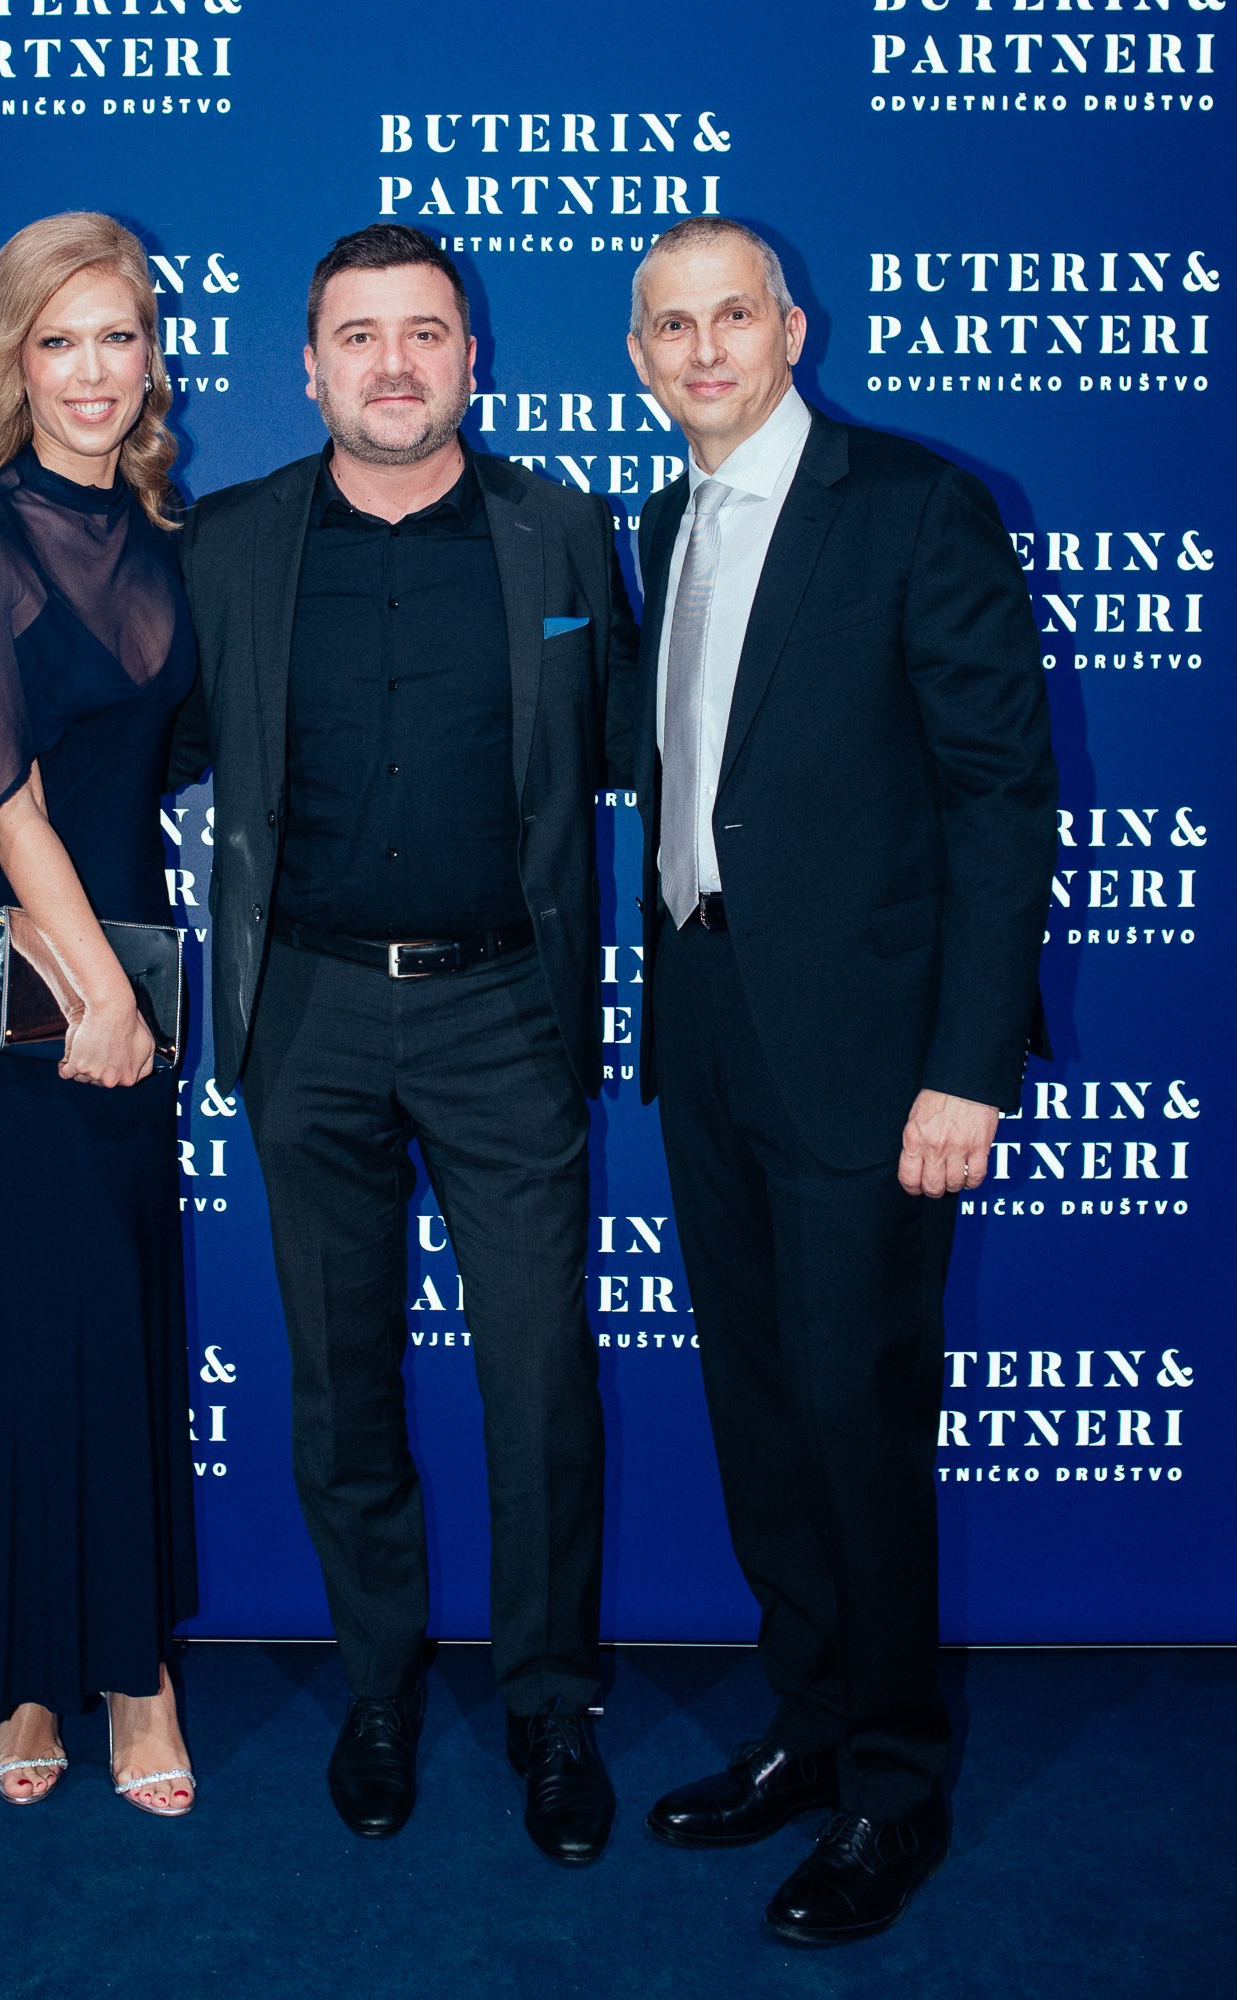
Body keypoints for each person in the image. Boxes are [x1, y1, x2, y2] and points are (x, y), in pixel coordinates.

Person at [173, 224, 637, 1865]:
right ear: (306, 366)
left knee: (539, 1378)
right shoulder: (222, 543)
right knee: (338, 1381)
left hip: (506, 1009)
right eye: (356, 337)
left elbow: (665, 748)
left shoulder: (563, 535)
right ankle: (380, 1687)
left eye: (422, 333)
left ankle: (551, 1705)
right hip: (302, 1013)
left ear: (470, 357)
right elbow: (116, 744)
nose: (391, 364)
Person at [624, 218, 1056, 1941]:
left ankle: (892, 1784)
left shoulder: (913, 506)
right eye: (672, 324)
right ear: (642, 356)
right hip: (710, 1027)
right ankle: (804, 1731)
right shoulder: (670, 519)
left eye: (735, 314)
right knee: (760, 1411)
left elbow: (999, 804)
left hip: (874, 1062)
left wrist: (967, 1072)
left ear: (791, 329)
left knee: (855, 1416)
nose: (705, 346)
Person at [0, 212, 205, 1814]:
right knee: (39, 1307)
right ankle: (38, 1667)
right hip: (35, 977)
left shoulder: (159, 529)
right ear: (14, 362)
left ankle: (133, 1670)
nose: (93, 372)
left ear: (153, 357)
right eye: (59, 340)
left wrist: (131, 998)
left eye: (119, 337)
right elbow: (3, 801)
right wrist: (92, 997)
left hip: (133, 970)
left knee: (123, 1306)